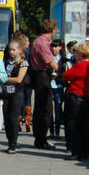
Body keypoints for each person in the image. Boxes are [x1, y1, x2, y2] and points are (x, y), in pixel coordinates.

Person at [61, 42, 89, 161]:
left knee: (74, 125)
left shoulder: (80, 66)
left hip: (76, 97)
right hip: (88, 98)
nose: (74, 53)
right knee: (84, 125)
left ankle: (76, 150)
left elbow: (66, 75)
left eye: (76, 52)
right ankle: (86, 150)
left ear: (81, 54)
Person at [30, 20, 58, 150]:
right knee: (45, 109)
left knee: (41, 108)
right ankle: (41, 138)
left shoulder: (38, 41)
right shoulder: (42, 43)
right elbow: (52, 64)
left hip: (39, 75)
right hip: (42, 75)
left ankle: (40, 137)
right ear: (52, 30)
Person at [3, 40, 29, 154]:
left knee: (13, 118)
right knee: (6, 118)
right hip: (6, 93)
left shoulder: (23, 63)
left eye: (13, 49)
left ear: (19, 50)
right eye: (10, 49)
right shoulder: (7, 61)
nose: (11, 52)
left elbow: (19, 79)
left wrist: (3, 78)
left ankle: (13, 144)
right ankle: (9, 141)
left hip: (16, 93)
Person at [50, 39, 66, 139]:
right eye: (52, 47)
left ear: (60, 47)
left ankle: (57, 131)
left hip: (59, 86)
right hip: (50, 85)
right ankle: (51, 131)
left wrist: (58, 76)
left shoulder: (63, 60)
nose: (54, 49)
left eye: (56, 47)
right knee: (50, 109)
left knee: (58, 109)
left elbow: (65, 73)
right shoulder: (49, 58)